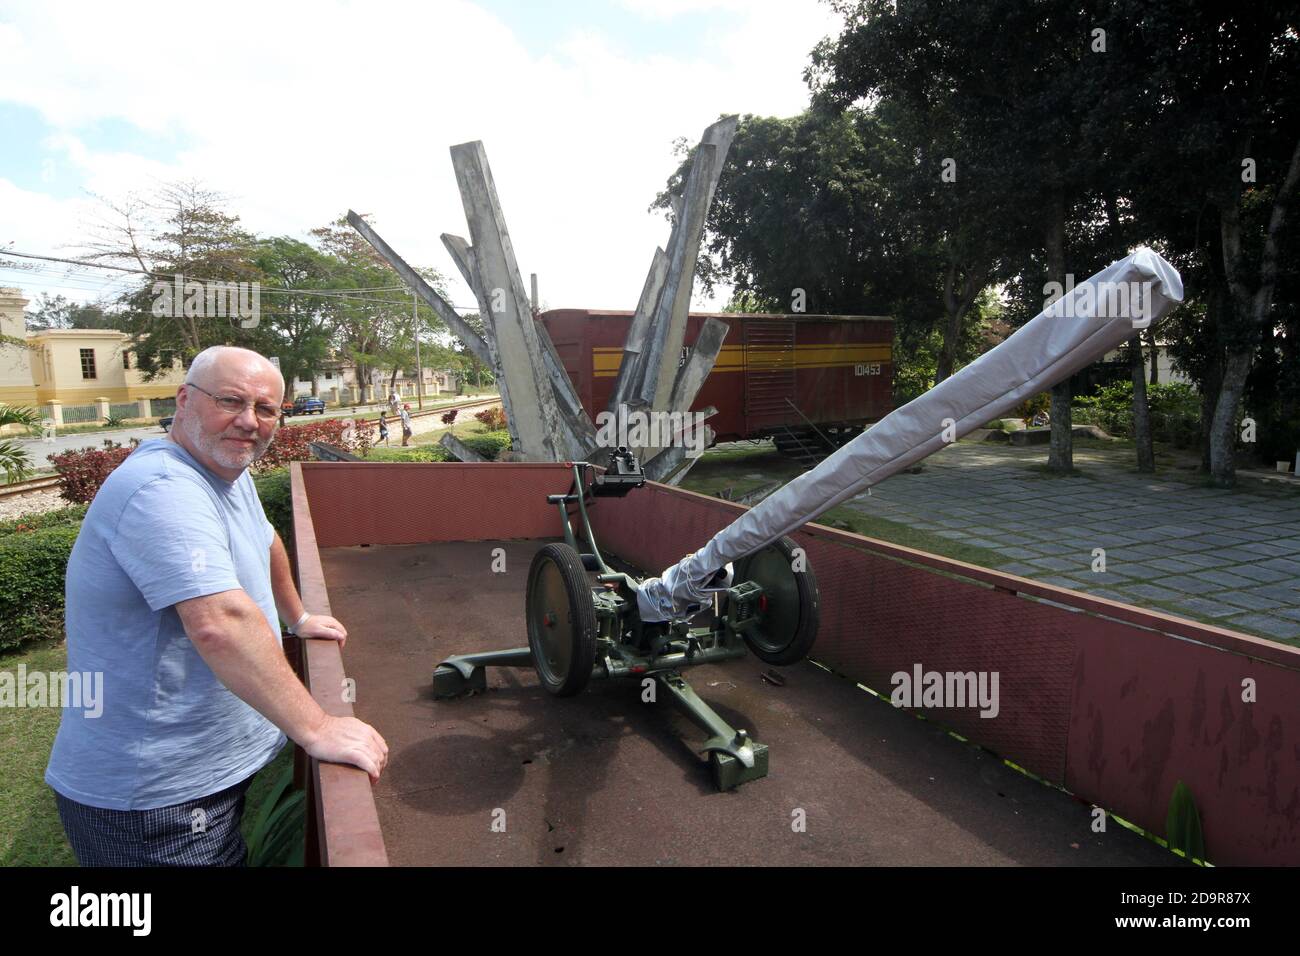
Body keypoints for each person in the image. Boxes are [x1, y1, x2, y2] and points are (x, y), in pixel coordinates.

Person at [45, 345, 388, 866]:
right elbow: (220, 624)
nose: (249, 422)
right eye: (230, 400)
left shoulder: (226, 472)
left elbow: (267, 538)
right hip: (155, 800)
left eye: (266, 409)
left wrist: (297, 618)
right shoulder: (164, 488)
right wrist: (317, 727)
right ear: (184, 400)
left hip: (203, 777)